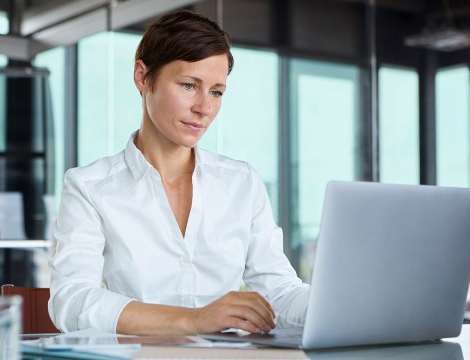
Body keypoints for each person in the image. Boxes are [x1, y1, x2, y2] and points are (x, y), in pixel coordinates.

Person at [48, 9, 309, 336]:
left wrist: (337, 305)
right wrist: (192, 320)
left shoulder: (242, 183)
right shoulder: (89, 187)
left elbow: (280, 292)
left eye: (216, 91)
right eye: (189, 85)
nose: (205, 107)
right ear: (143, 77)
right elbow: (71, 300)